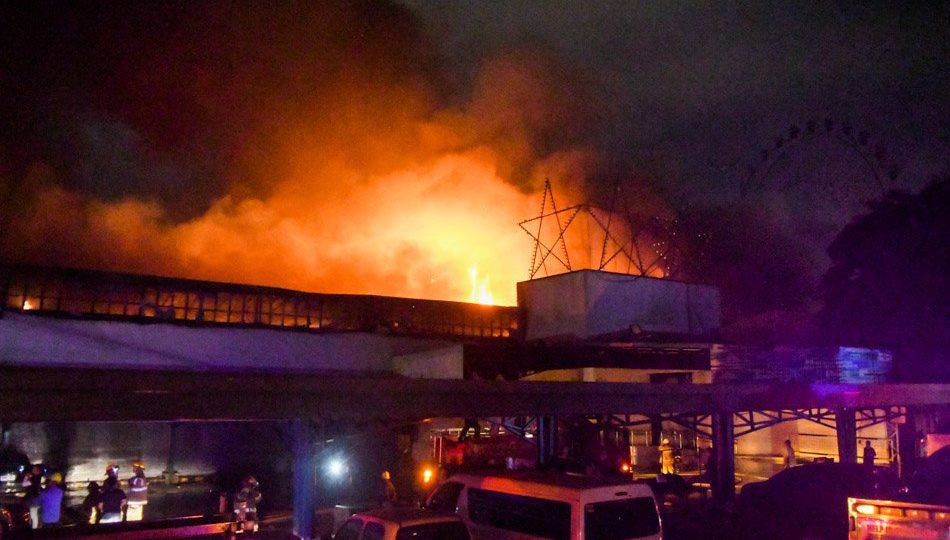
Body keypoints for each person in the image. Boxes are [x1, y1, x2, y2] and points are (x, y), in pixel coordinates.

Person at [22, 465, 43, 529]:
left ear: (38, 471)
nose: (33, 471)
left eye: (35, 470)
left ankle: (34, 530)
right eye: (33, 469)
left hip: (34, 498)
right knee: (34, 514)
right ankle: (34, 527)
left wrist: (26, 476)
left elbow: (24, 484)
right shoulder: (38, 477)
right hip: (37, 498)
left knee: (33, 515)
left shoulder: (35, 478)